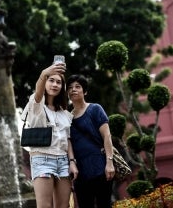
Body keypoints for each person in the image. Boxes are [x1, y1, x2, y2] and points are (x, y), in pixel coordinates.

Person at [21, 62, 78, 208]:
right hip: (42, 159)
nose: (55, 84)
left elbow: (68, 139)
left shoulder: (65, 113)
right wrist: (44, 73)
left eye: (59, 82)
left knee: (63, 206)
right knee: (45, 206)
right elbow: (38, 93)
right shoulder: (37, 107)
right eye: (51, 80)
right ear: (45, 82)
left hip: (63, 162)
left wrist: (72, 162)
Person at [67, 74, 115, 208]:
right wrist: (71, 162)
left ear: (85, 91)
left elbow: (107, 136)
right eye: (70, 88)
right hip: (80, 171)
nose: (73, 90)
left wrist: (109, 162)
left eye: (77, 87)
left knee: (104, 204)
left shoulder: (95, 109)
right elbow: (68, 142)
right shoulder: (67, 118)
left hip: (100, 166)